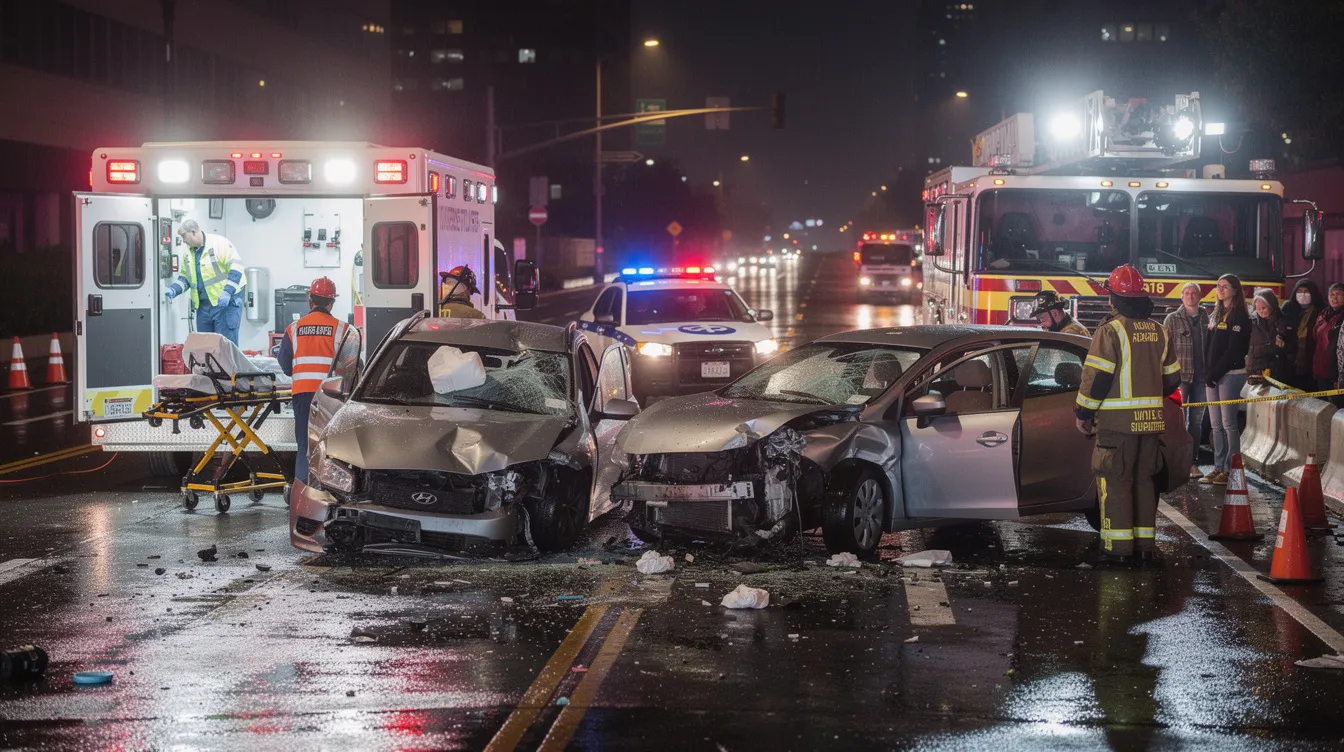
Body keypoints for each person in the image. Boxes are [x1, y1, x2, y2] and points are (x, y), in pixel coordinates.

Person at [1074, 264, 1181, 567]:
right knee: (1145, 482)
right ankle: (1145, 547)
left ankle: (1117, 550)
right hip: (1151, 424)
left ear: (1113, 299)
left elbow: (1096, 380)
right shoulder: (1160, 331)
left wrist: (1083, 413)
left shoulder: (1110, 331)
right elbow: (1173, 380)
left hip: (1117, 427)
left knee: (1116, 482)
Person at [278, 277, 349, 485]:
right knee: (330, 446)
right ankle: (326, 490)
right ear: (331, 303)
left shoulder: (294, 328)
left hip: (302, 394)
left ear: (311, 300)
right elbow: (351, 366)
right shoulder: (342, 329)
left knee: (304, 445)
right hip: (330, 395)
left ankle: (301, 491)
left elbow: (284, 365)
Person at [1202, 274, 1252, 485]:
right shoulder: (1216, 313)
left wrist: (1215, 373)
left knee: (1229, 423)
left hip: (1230, 375)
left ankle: (1233, 469)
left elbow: (1233, 351)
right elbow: (1209, 346)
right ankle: (1218, 467)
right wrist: (1208, 372)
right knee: (1216, 425)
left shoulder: (1239, 316)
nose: (1221, 289)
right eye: (1218, 286)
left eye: (1225, 286)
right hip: (1213, 375)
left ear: (1235, 290)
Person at [164, 219, 247, 345]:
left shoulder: (219, 244)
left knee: (226, 347)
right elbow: (185, 278)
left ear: (193, 232)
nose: (183, 241)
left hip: (226, 303)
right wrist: (174, 289)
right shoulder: (188, 253)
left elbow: (236, 268)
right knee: (206, 347)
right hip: (203, 306)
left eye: (184, 236)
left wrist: (227, 292)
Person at [1163, 282, 1210, 480]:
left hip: (1203, 378)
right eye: (1187, 293)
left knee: (1196, 422)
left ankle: (1193, 462)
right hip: (1181, 377)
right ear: (1182, 297)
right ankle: (1174, 462)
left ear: (1200, 297)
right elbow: (1164, 349)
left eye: (1194, 293)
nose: (1190, 296)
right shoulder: (1172, 319)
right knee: (1177, 419)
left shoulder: (1207, 319)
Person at [1281, 279, 1324, 391]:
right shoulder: (1288, 308)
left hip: (1311, 363)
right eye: (1299, 291)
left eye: (1306, 291)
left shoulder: (1321, 310)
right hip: (1290, 363)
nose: (1302, 294)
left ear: (1313, 293)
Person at [1246, 289, 1291, 384]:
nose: (1260, 311)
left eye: (1263, 308)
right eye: (1257, 308)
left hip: (1276, 374)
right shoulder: (1250, 322)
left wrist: (1282, 339)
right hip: (1254, 373)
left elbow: (1291, 348)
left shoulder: (1283, 323)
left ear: (1272, 306)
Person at [1312, 283, 1344, 392]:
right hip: (1320, 368)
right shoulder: (1323, 314)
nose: (1334, 298)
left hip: (1337, 371)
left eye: (1339, 294)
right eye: (1331, 294)